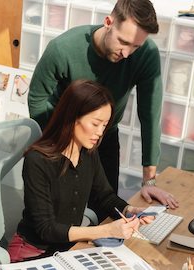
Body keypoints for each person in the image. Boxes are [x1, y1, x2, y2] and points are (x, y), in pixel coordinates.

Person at [28, 0, 179, 209]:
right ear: (108, 22)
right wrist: (57, 142)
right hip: (62, 138)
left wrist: (149, 181)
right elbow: (37, 99)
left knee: (106, 209)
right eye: (123, 42)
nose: (127, 53)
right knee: (59, 213)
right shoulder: (62, 49)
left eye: (136, 46)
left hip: (105, 137)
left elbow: (150, 117)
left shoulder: (146, 55)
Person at [8, 80, 154, 262]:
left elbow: (105, 196)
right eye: (95, 123)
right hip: (32, 252)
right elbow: (46, 228)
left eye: (105, 125)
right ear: (72, 117)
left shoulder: (88, 152)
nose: (100, 132)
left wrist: (130, 210)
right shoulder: (37, 160)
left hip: (67, 249)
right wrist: (106, 230)